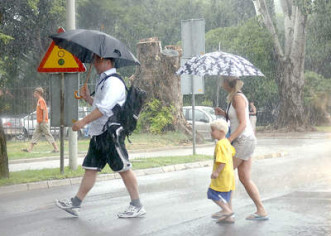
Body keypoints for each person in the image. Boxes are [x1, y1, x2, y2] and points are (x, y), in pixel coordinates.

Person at [55, 55, 146, 218]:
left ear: (108, 62)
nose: (94, 64)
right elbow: (100, 105)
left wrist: (82, 122)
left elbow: (104, 109)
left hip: (110, 133)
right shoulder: (103, 81)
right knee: (90, 169)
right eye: (94, 61)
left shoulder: (114, 82)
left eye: (98, 60)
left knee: (123, 168)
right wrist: (88, 98)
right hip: (98, 133)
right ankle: (76, 203)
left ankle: (137, 205)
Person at [214, 76, 268, 221]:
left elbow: (243, 123)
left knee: (225, 172)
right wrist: (223, 114)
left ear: (227, 83)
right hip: (246, 140)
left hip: (243, 140)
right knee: (244, 177)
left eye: (222, 81)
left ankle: (227, 212)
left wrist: (229, 140)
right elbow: (237, 118)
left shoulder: (237, 97)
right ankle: (261, 210)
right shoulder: (235, 97)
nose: (221, 83)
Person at [208, 119, 236, 223]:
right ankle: (229, 217)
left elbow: (222, 161)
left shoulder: (220, 144)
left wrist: (216, 172)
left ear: (222, 132)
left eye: (213, 130)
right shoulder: (227, 143)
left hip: (222, 175)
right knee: (226, 196)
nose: (211, 132)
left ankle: (226, 211)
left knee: (212, 193)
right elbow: (232, 153)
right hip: (229, 175)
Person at [22, 87, 59, 153]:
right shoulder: (39, 100)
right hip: (39, 122)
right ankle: (29, 149)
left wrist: (44, 120)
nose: (34, 94)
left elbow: (44, 110)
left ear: (38, 93)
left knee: (48, 134)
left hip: (43, 122)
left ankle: (56, 149)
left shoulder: (41, 100)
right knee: (35, 135)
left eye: (35, 92)